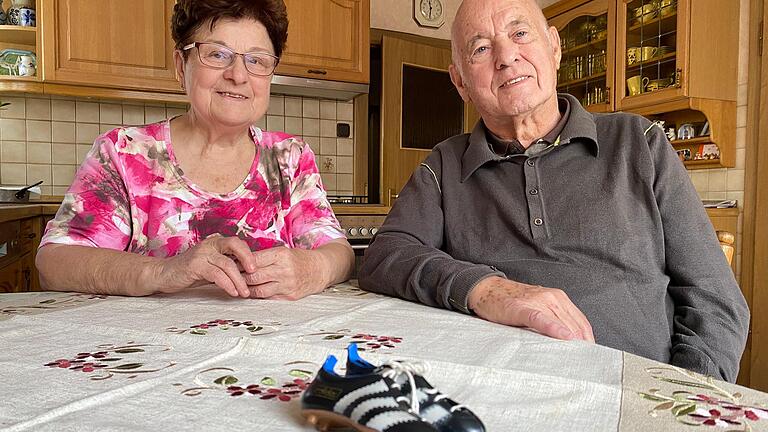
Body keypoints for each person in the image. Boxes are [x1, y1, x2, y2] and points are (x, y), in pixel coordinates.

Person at [359, 0, 749, 382]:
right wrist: (487, 288)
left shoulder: (639, 141)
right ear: (460, 81)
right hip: (496, 390)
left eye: (520, 33)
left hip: (633, 386)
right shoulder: (445, 164)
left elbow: (716, 300)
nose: (506, 57)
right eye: (481, 48)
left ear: (555, 47)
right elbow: (385, 257)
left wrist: (681, 400)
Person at [36, 0, 353, 300]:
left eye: (256, 60)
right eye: (217, 54)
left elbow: (339, 254)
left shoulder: (291, 158)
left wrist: (312, 268)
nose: (238, 75)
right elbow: (55, 264)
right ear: (180, 64)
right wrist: (163, 270)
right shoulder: (124, 153)